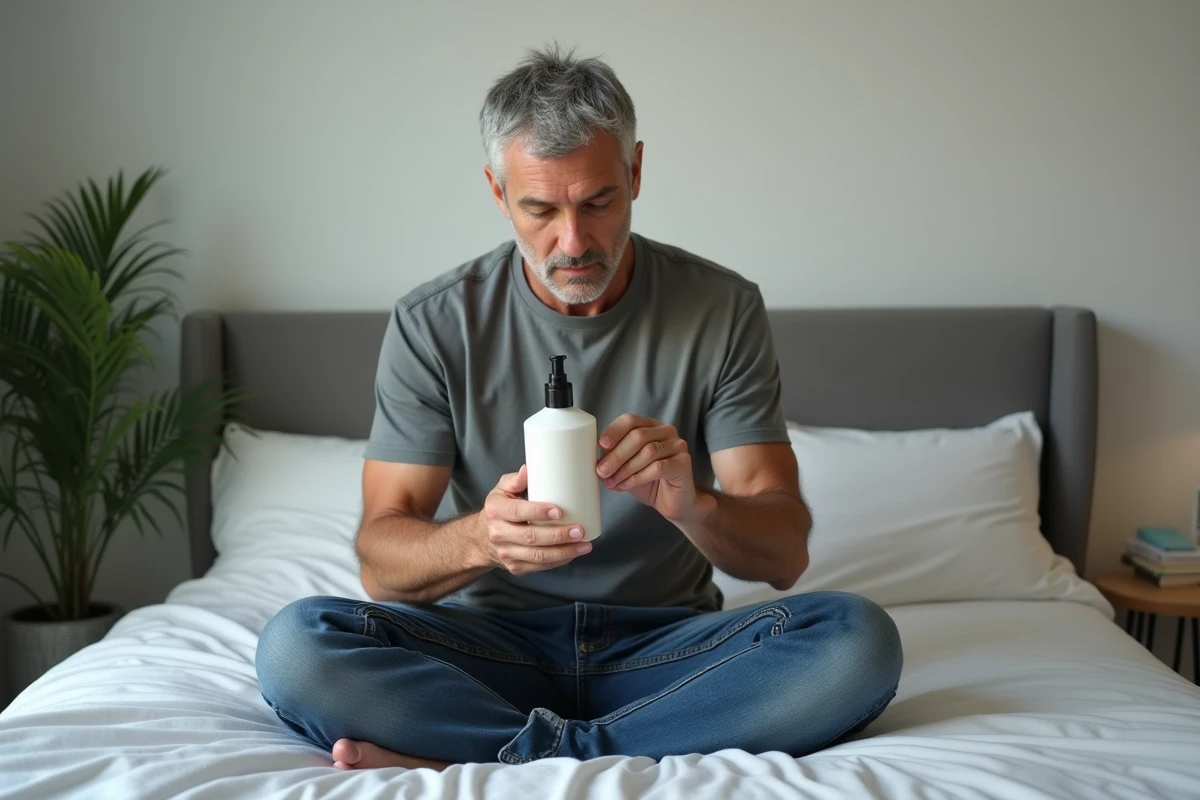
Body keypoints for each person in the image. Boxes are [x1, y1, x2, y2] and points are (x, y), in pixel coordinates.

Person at [255, 44, 902, 771]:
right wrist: (480, 539)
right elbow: (381, 561)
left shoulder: (720, 308)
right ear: (499, 194)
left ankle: (494, 756)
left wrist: (694, 507)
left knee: (858, 639)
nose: (574, 241)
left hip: (666, 649)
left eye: (598, 202)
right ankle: (620, 752)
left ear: (635, 173)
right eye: (541, 209)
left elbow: (785, 556)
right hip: (488, 650)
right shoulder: (434, 323)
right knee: (297, 645)